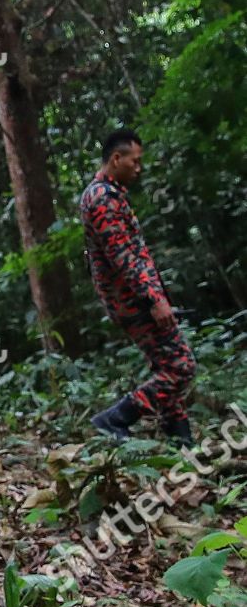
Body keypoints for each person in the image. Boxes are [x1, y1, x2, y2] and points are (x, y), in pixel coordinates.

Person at [80, 129, 194, 446]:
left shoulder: (108, 193)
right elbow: (124, 257)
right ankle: (115, 418)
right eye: (135, 161)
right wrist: (154, 300)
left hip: (133, 298)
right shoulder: (102, 199)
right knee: (181, 367)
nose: (139, 168)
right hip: (133, 301)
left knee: (167, 365)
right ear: (117, 158)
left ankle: (182, 443)